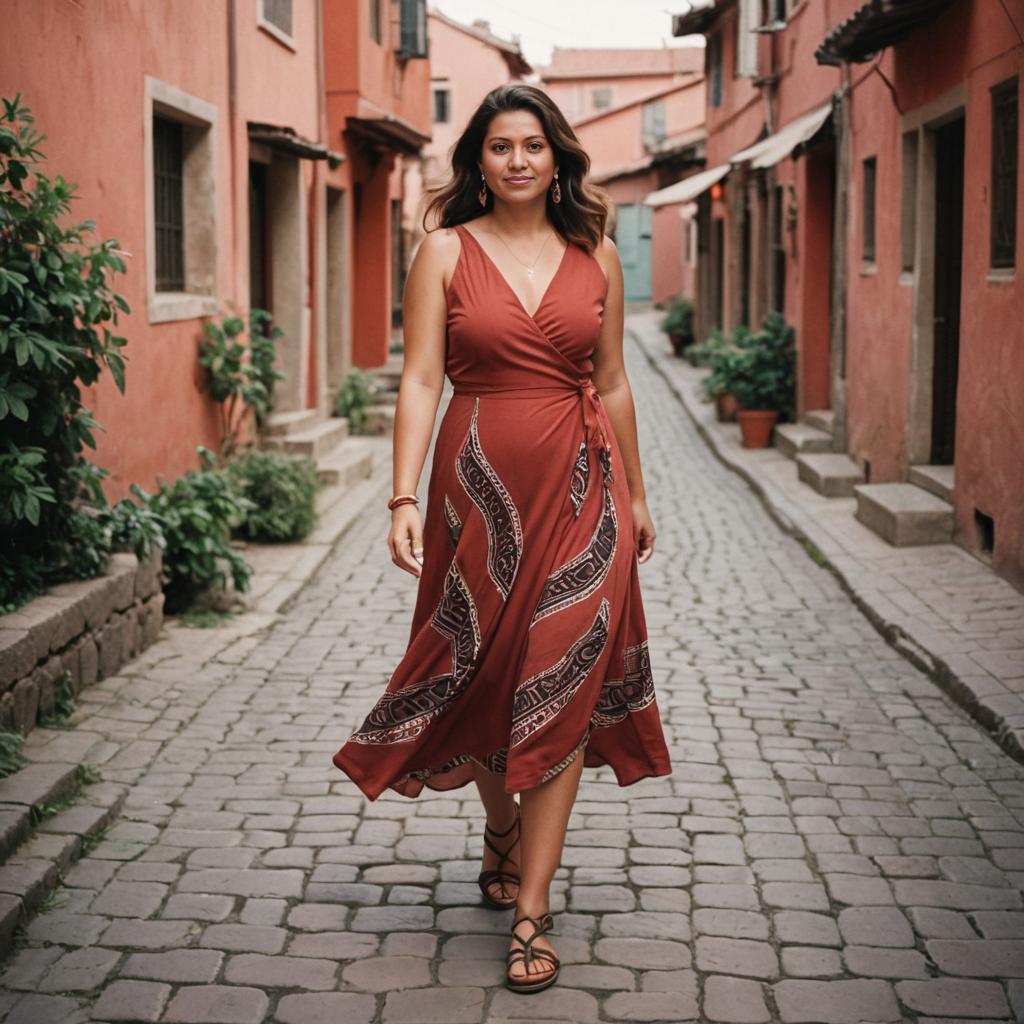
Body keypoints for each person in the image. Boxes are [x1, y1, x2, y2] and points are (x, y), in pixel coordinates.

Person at [333, 83, 672, 994]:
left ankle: (532, 907)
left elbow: (615, 381)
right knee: (486, 676)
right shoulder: (442, 251)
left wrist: (636, 494)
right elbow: (417, 382)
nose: (517, 160)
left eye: (532, 145)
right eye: (499, 146)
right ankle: (499, 827)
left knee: (561, 673)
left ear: (557, 157)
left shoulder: (597, 252)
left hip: (581, 486)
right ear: (477, 161)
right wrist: (401, 497)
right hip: (475, 495)